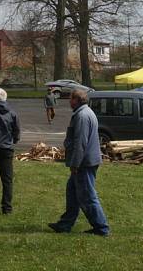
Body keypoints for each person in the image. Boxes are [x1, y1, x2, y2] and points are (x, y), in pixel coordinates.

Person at [49, 88, 109, 236]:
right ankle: (65, 224)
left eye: (71, 99)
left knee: (87, 196)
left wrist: (75, 164)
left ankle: (101, 228)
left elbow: (80, 142)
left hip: (84, 163)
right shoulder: (85, 112)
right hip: (86, 161)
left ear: (77, 100)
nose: (69, 101)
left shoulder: (82, 116)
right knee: (72, 192)